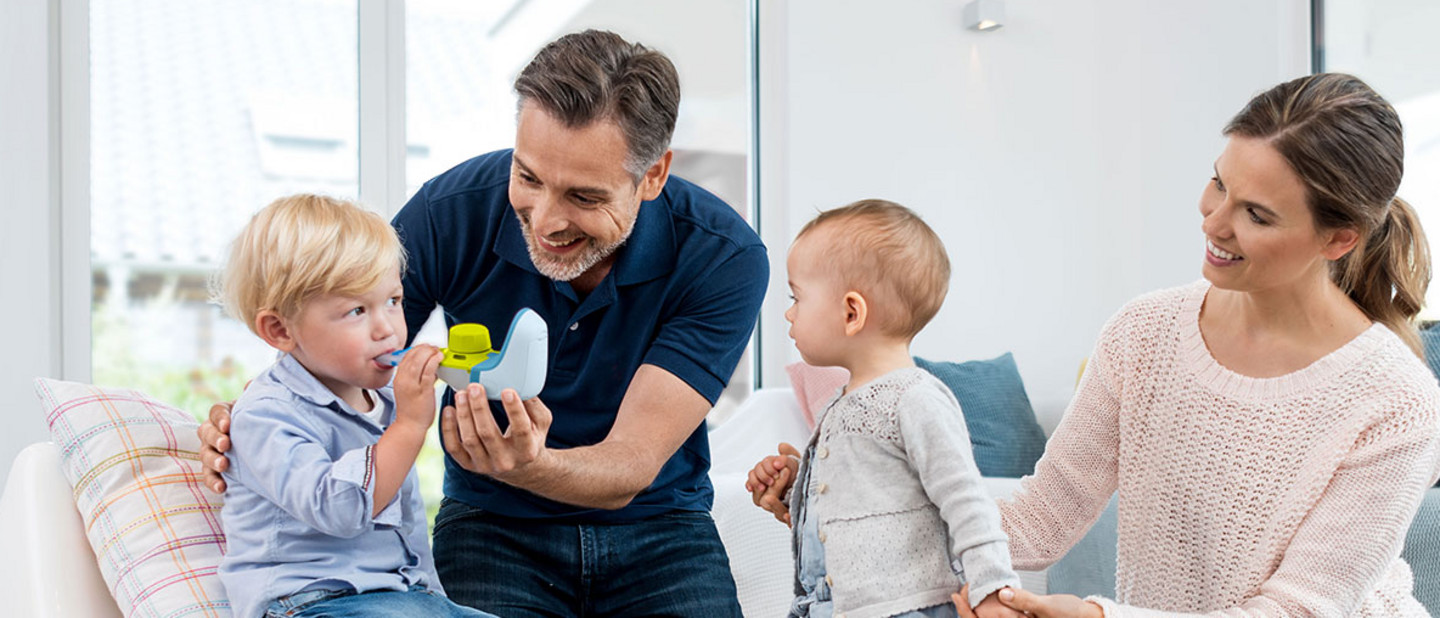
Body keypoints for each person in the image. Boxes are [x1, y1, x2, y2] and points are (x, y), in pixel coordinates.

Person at [754, 73, 1440, 617]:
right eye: (1219, 183)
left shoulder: (1396, 400)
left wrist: (1101, 616)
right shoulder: (1145, 333)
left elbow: (1301, 610)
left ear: (1339, 238)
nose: (1215, 222)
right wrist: (850, 504)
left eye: (1256, 215)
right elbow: (1042, 516)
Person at [201, 30, 767, 616]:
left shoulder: (723, 257)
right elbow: (331, 346)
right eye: (528, 177)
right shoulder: (451, 212)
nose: (545, 221)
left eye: (583, 197)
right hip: (491, 522)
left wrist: (532, 467)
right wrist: (258, 421)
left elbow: (630, 464)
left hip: (659, 523)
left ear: (652, 175)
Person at [213, 194, 492, 618]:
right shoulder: (265, 414)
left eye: (393, 301)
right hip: (311, 601)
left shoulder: (385, 398)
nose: (387, 330)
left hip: (406, 595)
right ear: (280, 330)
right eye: (357, 310)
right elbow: (339, 510)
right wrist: (409, 426)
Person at [745, 200, 1024, 618]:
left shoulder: (916, 399)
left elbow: (967, 500)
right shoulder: (840, 403)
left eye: (796, 297)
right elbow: (861, 498)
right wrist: (798, 485)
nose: (788, 312)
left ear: (851, 312)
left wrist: (993, 589)